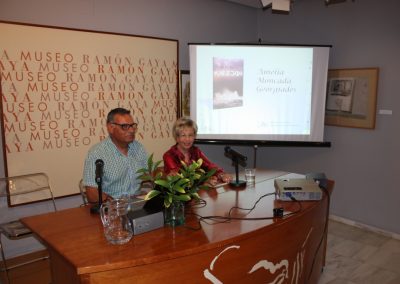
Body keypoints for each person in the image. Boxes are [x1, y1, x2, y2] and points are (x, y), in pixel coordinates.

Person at [82, 108, 148, 203]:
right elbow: (91, 193)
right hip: (113, 207)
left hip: (137, 204)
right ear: (111, 128)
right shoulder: (97, 153)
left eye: (132, 126)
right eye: (125, 126)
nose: (131, 130)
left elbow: (150, 173)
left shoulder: (138, 148)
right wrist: (114, 203)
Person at [163, 117, 232, 185]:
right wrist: (204, 180)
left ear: (194, 136)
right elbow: (180, 178)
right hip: (176, 194)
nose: (187, 139)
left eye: (190, 135)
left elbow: (210, 166)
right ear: (177, 138)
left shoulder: (195, 151)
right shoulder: (169, 155)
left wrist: (222, 175)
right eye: (183, 135)